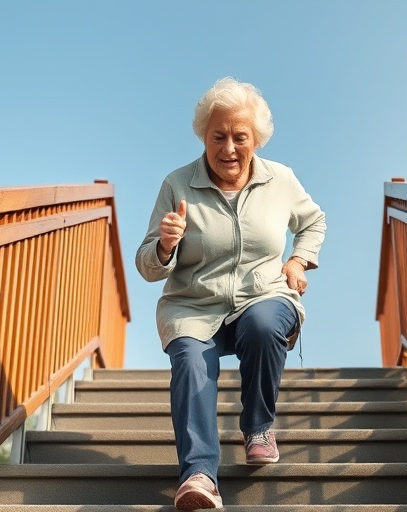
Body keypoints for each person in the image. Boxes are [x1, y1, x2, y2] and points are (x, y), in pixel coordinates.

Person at [135, 77, 326, 511]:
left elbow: (314, 222)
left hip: (263, 297)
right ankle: (200, 475)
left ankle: (258, 426)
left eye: (240, 137)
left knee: (261, 325)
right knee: (190, 360)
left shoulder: (281, 180)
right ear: (204, 135)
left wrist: (298, 262)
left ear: (255, 138)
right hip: (194, 305)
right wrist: (165, 245)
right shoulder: (177, 184)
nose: (228, 149)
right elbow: (146, 265)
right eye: (218, 136)